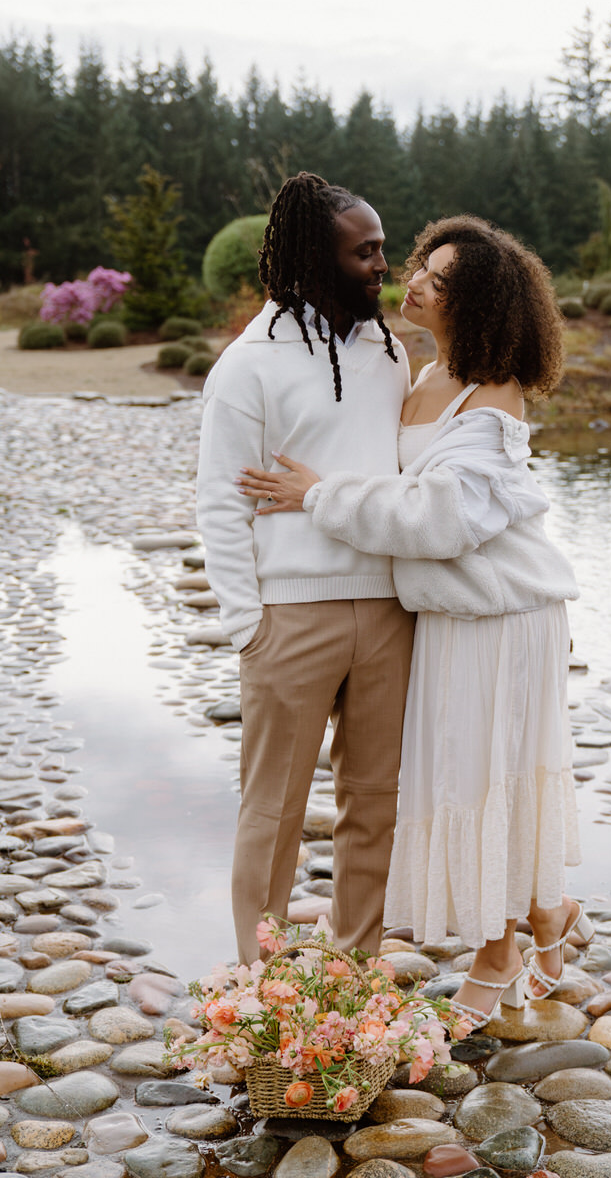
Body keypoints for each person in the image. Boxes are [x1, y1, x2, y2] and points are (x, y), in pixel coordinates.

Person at [236, 215, 591, 1026]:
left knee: (484, 780)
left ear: (479, 304)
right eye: (423, 266)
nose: (416, 281)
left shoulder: (491, 396)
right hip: (447, 614)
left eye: (440, 279)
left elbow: (440, 520)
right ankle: (547, 913)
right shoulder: (418, 371)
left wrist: (318, 496)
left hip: (504, 616)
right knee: (462, 778)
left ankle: (498, 956)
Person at [196, 172, 416, 967]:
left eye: (382, 249)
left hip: (388, 612)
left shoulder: (389, 352)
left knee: (375, 801)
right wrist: (246, 626)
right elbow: (219, 504)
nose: (382, 264)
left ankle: (353, 968)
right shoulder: (248, 366)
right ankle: (262, 983)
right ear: (316, 260)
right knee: (274, 810)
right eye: (366, 252)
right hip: (289, 618)